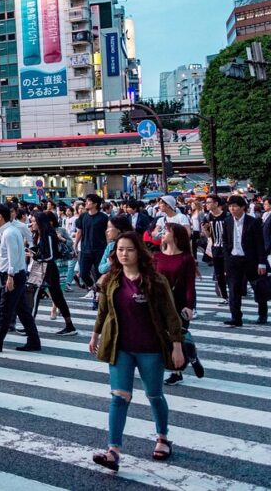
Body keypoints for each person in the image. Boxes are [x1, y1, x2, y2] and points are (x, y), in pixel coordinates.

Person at [89, 231, 184, 472]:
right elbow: (103, 310)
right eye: (120, 249)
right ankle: (113, 451)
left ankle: (162, 438)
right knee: (119, 397)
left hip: (150, 348)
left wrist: (177, 346)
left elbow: (171, 315)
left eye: (129, 249)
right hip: (120, 347)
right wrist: (95, 334)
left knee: (154, 395)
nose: (124, 254)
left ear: (138, 252)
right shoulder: (111, 279)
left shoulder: (155, 280)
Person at [0, 204, 40, 354]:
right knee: (22, 310)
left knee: (5, 309)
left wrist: (10, 276)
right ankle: (34, 340)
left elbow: (13, 256)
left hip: (12, 275)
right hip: (14, 274)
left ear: (0, 217)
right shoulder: (7, 231)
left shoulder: (9, 233)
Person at [158, 223, 205, 385]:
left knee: (177, 334)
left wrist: (190, 306)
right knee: (166, 335)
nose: (163, 234)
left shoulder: (186, 259)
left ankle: (177, 371)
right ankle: (191, 355)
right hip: (161, 302)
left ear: (176, 236)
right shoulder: (156, 256)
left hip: (180, 302)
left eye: (166, 231)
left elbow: (190, 285)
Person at [222, 195, 268, 327]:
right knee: (234, 289)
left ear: (243, 207)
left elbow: (260, 244)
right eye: (230, 206)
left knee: (258, 287)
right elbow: (225, 241)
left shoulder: (253, 222)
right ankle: (236, 317)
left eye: (235, 206)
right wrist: (227, 259)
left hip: (251, 260)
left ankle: (262, 313)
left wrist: (261, 262)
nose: (232, 209)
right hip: (234, 259)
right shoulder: (228, 221)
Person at [28, 212, 77, 336]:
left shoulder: (48, 235)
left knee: (38, 296)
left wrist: (35, 256)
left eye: (34, 221)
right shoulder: (40, 235)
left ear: (40, 223)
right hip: (45, 268)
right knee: (55, 297)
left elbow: (50, 255)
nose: (31, 223)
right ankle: (69, 325)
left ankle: (29, 325)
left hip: (48, 269)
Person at [75, 194, 109, 295]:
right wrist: (75, 245)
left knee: (99, 273)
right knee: (83, 273)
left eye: (88, 201)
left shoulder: (103, 217)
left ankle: (100, 295)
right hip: (85, 249)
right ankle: (92, 287)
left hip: (100, 250)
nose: (86, 203)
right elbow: (79, 232)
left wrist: (108, 248)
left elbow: (106, 234)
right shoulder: (83, 216)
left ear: (95, 204)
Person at [203, 195, 230, 303]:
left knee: (229, 272)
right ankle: (224, 296)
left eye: (209, 202)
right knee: (219, 274)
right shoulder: (207, 217)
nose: (207, 204)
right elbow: (208, 235)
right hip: (215, 248)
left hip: (227, 248)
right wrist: (205, 230)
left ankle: (234, 293)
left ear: (216, 203)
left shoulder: (227, 216)